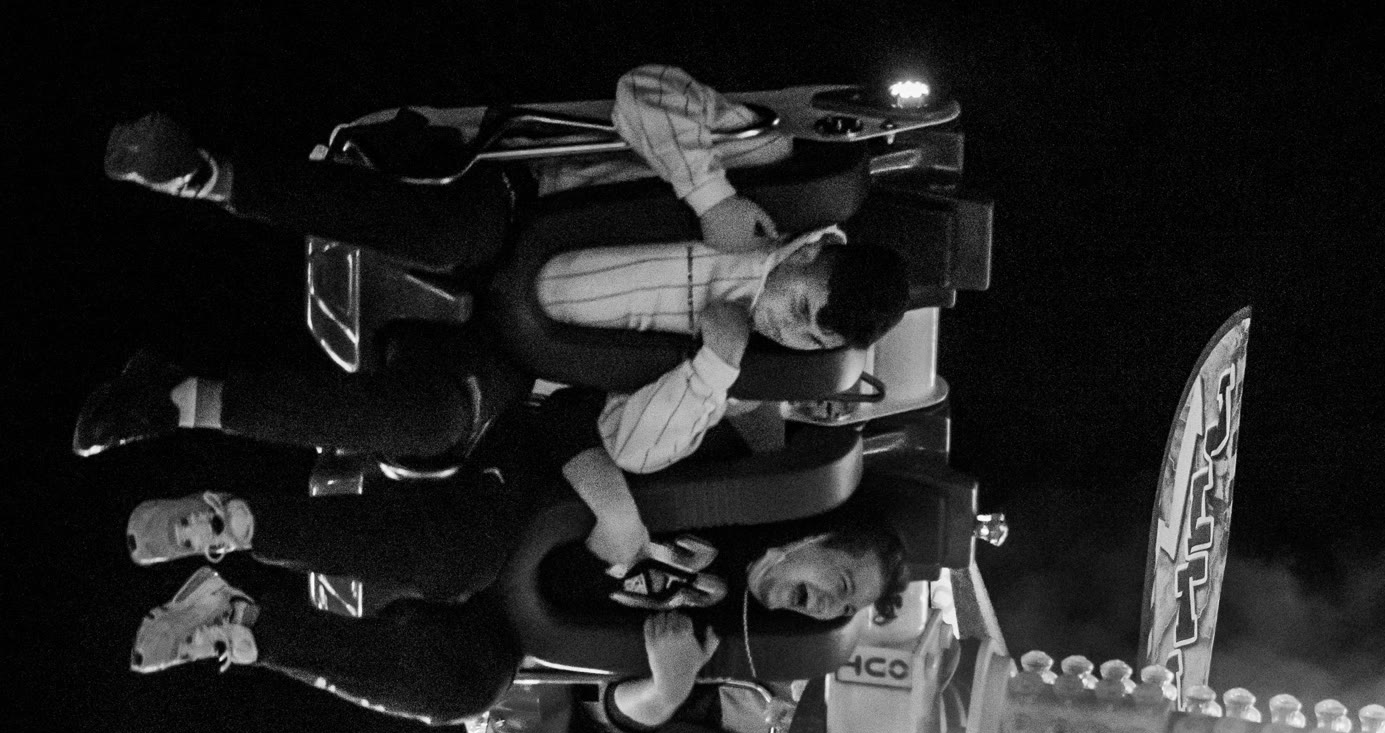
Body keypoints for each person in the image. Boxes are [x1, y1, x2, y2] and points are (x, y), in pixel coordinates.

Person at [83, 62, 911, 474]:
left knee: (434, 426)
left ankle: (177, 399)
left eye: (808, 338)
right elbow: (644, 90)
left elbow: (629, 447)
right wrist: (711, 194)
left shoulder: (738, 373)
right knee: (449, 228)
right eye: (804, 306)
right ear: (816, 253)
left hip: (513, 348)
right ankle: (203, 175)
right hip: (517, 219)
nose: (789, 328)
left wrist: (714, 368)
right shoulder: (767, 183)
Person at [120, 469, 909, 728]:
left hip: (512, 619)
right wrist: (618, 514)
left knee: (461, 689)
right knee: (453, 551)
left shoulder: (740, 638)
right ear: (814, 538)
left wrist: (667, 691)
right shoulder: (738, 485)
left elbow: (613, 712)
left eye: (830, 612)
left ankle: (240, 624)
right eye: (833, 585)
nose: (815, 606)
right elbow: (580, 430)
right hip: (511, 522)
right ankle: (231, 523)